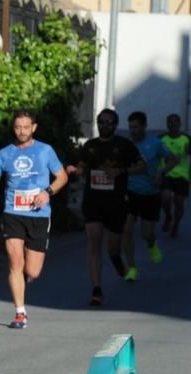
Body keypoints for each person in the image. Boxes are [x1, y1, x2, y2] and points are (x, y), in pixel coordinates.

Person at [0, 110, 68, 329]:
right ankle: (20, 313)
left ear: (34, 128)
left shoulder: (45, 151)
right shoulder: (5, 154)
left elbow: (62, 177)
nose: (21, 131)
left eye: (26, 127)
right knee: (15, 262)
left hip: (39, 214)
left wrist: (47, 192)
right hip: (13, 213)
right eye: (18, 127)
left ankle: (27, 278)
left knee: (32, 271)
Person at [67, 108, 146, 306]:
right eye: (102, 122)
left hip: (116, 203)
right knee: (94, 242)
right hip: (93, 201)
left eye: (109, 122)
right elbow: (82, 167)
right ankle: (97, 289)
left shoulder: (124, 145)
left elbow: (142, 166)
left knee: (113, 247)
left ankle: (117, 259)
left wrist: (121, 170)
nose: (105, 125)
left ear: (115, 125)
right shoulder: (90, 146)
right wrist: (76, 170)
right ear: (97, 123)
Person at [123, 111, 178, 280]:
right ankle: (131, 269)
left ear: (144, 126)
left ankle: (151, 244)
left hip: (150, 193)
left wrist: (161, 172)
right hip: (130, 193)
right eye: (131, 127)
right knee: (126, 230)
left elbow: (173, 159)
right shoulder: (126, 144)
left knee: (147, 234)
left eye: (136, 127)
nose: (133, 130)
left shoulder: (155, 143)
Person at [160, 113, 191, 238]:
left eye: (175, 122)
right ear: (167, 124)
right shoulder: (161, 139)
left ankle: (176, 224)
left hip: (182, 176)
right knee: (165, 197)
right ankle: (168, 216)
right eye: (170, 122)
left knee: (179, 203)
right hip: (166, 173)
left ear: (179, 124)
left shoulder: (186, 138)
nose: (173, 124)